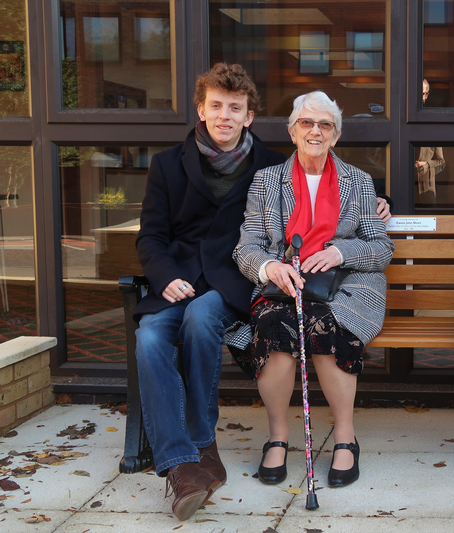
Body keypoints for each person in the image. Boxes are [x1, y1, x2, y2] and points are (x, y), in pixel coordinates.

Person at [134, 63, 287, 521]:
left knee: (203, 319)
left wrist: (383, 198)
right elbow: (150, 237)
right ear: (201, 110)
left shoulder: (275, 164)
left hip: (235, 280)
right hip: (176, 282)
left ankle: (201, 441)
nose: (224, 115)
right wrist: (163, 276)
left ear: (249, 116)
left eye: (234, 108)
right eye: (216, 105)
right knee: (149, 337)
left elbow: (334, 185)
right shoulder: (166, 164)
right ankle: (184, 465)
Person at [233, 91, 394, 490]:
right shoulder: (266, 181)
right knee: (274, 324)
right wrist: (271, 266)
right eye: (307, 123)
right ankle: (277, 437)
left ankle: (344, 437)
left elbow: (381, 248)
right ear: (292, 131)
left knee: (325, 324)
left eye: (325, 124)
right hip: (284, 285)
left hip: (348, 285)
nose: (316, 131)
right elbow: (247, 244)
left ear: (336, 135)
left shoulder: (358, 182)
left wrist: (340, 251)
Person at [415, 79, 446, 205]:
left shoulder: (432, 125)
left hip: (425, 186)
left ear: (426, 95)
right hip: (402, 182)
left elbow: (441, 162)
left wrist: (427, 164)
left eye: (421, 93)